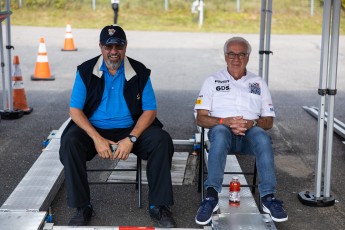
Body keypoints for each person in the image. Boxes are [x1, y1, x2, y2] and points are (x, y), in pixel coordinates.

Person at [59, 25, 176, 228]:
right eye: (108, 46)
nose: (114, 51)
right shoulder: (86, 70)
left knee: (161, 141)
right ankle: (82, 206)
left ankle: (158, 205)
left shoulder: (139, 71)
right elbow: (75, 110)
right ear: (101, 47)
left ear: (125, 47)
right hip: (94, 129)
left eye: (118, 46)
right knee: (70, 142)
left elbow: (150, 110)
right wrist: (97, 139)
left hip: (130, 128)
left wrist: (131, 139)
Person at [194, 37, 288, 225]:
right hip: (222, 133)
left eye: (241, 54)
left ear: (248, 56)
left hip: (249, 134)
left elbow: (269, 121)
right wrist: (225, 121)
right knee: (220, 132)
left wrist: (251, 123)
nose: (236, 58)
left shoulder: (258, 82)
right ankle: (211, 197)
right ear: (225, 56)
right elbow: (201, 117)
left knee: (262, 137)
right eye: (232, 54)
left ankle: (269, 198)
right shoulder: (212, 81)